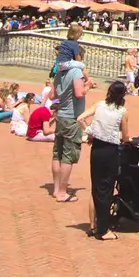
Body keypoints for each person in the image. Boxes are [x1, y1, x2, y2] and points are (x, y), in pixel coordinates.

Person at [79, 80, 130, 240]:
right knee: (106, 189)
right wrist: (126, 140)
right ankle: (103, 229)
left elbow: (80, 118)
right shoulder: (122, 111)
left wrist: (91, 132)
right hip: (110, 151)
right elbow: (126, 136)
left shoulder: (99, 104)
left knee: (96, 187)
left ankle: (92, 226)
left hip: (97, 149)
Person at [50, 52, 91, 202]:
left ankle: (56, 189)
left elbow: (52, 96)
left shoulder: (59, 71)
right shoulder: (76, 71)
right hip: (72, 117)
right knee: (68, 155)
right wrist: (88, 86)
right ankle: (62, 192)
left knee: (57, 154)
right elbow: (79, 93)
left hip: (61, 116)